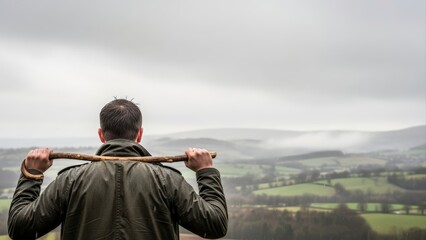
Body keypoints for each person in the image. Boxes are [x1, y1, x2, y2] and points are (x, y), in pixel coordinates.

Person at [8, 98, 228, 239]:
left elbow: (20, 229)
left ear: (101, 135)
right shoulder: (168, 180)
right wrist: (205, 172)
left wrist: (32, 175)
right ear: (139, 134)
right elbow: (215, 225)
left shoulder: (70, 180)